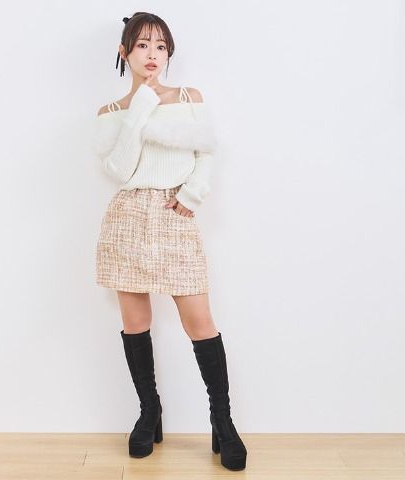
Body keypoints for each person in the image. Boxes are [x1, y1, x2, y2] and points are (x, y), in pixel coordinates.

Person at [93, 12, 247, 471]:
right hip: (127, 218)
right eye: (142, 45)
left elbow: (206, 153)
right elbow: (119, 169)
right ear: (124, 52)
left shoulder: (188, 98)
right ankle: (149, 412)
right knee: (135, 322)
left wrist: (192, 196)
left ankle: (222, 421)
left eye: (160, 46)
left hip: (174, 214)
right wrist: (141, 104)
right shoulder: (110, 112)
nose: (152, 55)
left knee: (200, 322)